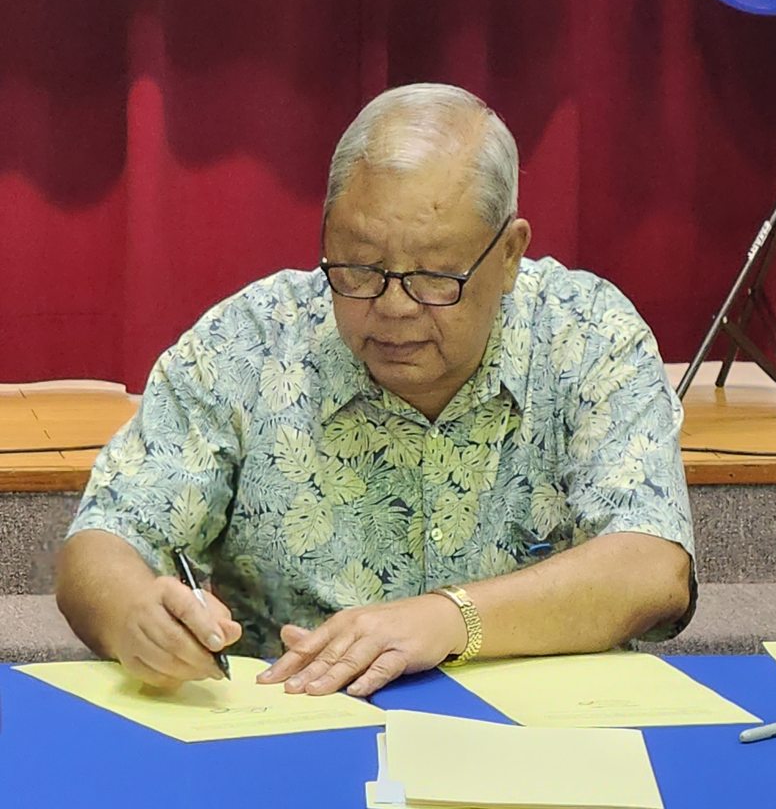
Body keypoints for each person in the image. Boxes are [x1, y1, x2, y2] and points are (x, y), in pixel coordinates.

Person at [56, 83, 695, 696]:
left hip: (537, 737)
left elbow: (651, 568)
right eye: (360, 266)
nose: (393, 306)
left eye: (435, 275)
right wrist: (135, 615)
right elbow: (103, 541)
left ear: (508, 255)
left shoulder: (588, 334)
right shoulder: (250, 341)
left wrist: (448, 619)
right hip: (297, 724)